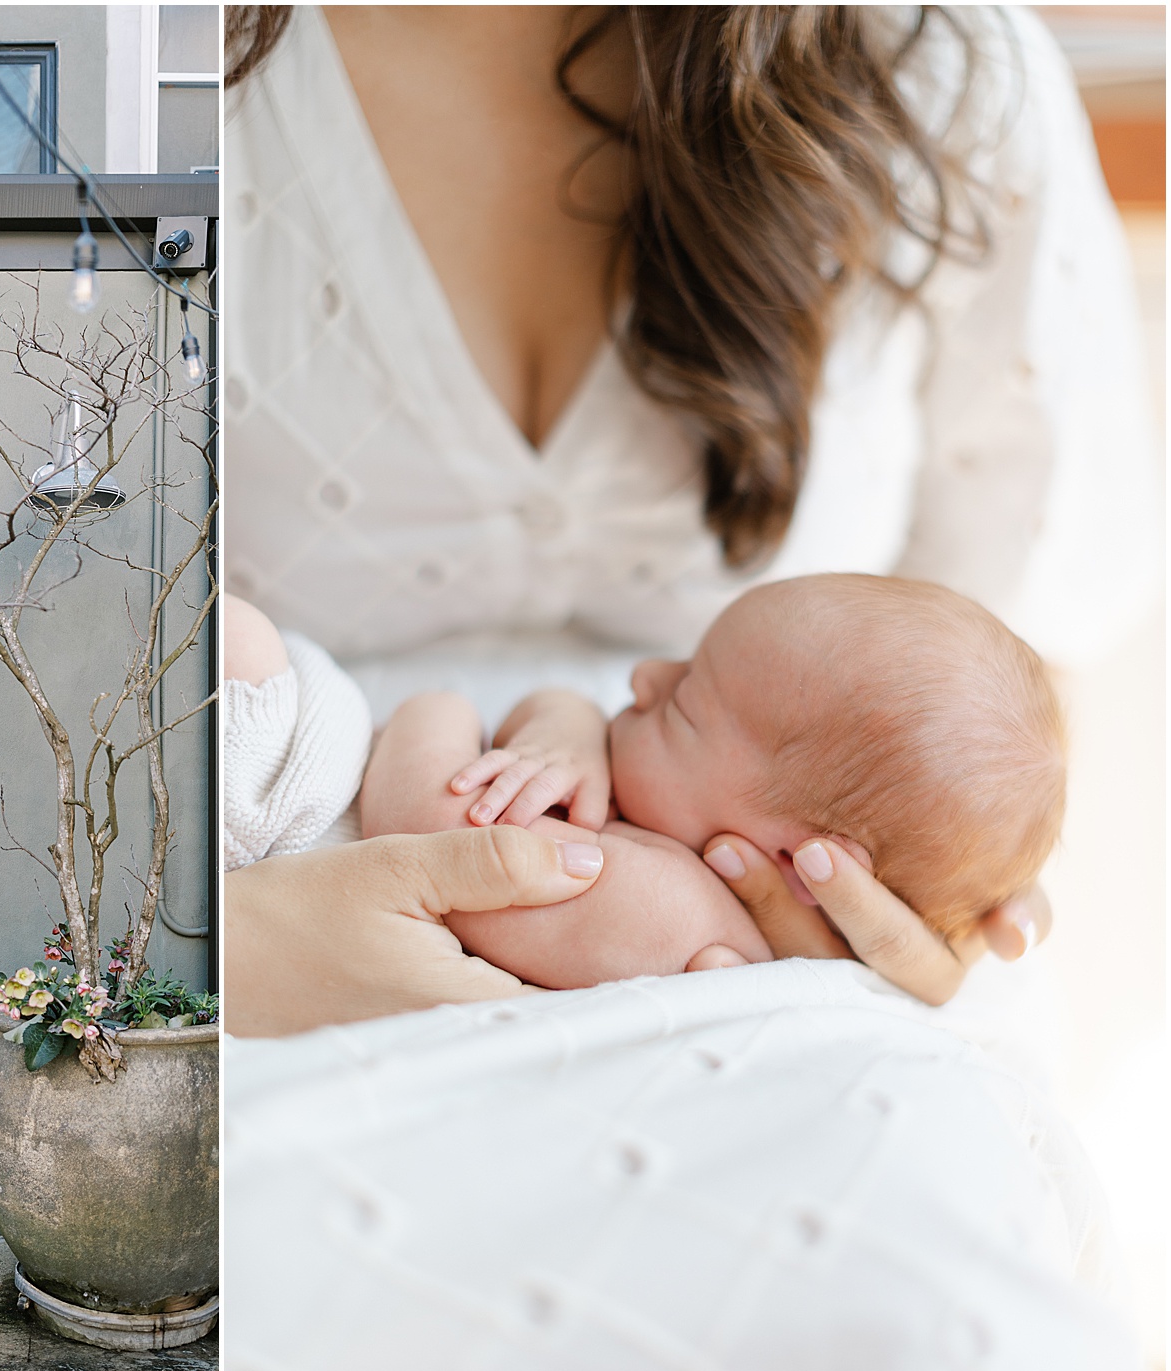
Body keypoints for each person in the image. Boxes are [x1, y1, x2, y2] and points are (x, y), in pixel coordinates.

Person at [221, 5, 1153, 1032]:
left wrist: (949, 905)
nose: (639, 678)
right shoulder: (116, 58)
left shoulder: (941, 68)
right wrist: (230, 944)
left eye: (688, 703)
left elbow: (1012, 673)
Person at [361, 575, 1066, 1002]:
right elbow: (564, 714)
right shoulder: (676, 808)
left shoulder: (668, 912)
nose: (645, 677)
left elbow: (429, 836)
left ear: (798, 864)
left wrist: (437, 710)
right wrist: (565, 730)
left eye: (685, 702)